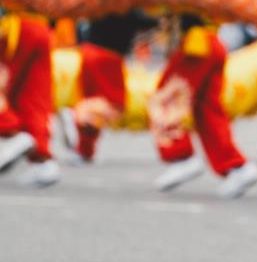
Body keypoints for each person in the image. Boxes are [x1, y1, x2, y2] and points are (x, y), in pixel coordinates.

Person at [150, 14, 257, 199]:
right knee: (207, 110)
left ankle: (180, 156)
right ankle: (236, 167)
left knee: (167, 98)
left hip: (197, 44)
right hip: (213, 42)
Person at [58, 13, 151, 163]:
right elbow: (141, 20)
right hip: (106, 56)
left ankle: (85, 151)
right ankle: (76, 115)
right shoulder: (122, 2)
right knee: (114, 104)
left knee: (95, 102)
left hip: (90, 53)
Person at [0, 10, 59, 187]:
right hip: (40, 25)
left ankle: (11, 133)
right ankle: (43, 162)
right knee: (33, 99)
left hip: (9, 27)